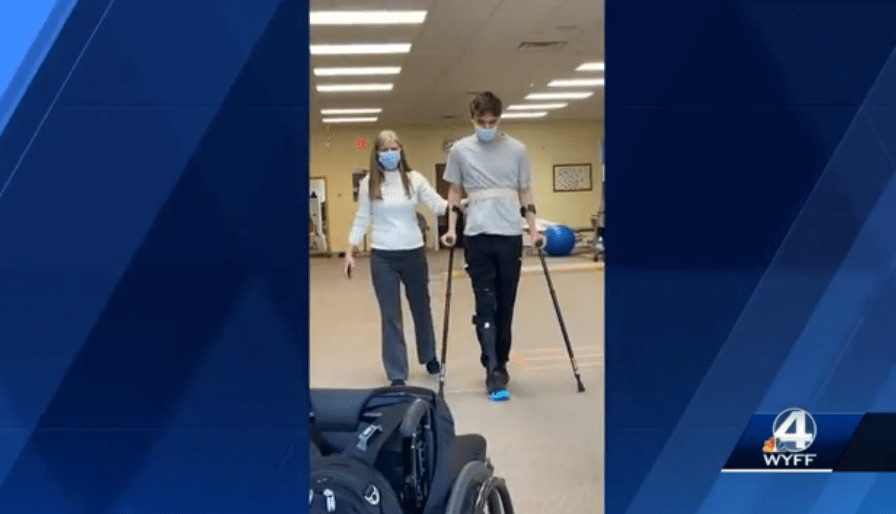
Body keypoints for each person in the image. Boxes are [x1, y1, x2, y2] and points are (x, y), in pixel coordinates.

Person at [440, 91, 543, 400]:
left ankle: (503, 361)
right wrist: (451, 229)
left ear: (499, 119)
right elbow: (455, 192)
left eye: (492, 121)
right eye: (481, 121)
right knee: (486, 303)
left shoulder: (517, 150)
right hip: (477, 236)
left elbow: (526, 193)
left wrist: (534, 230)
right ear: (472, 119)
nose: (487, 126)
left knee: (506, 305)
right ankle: (491, 369)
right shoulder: (459, 150)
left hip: (509, 234)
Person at [345, 130, 448, 386]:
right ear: (377, 155)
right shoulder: (369, 183)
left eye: (395, 149)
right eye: (385, 150)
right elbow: (362, 218)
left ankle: (430, 355)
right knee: (390, 315)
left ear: (401, 151)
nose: (391, 154)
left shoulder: (414, 180)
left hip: (413, 252)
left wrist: (462, 203)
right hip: (383, 257)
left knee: (421, 307)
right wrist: (350, 250)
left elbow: (438, 205)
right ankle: (397, 372)